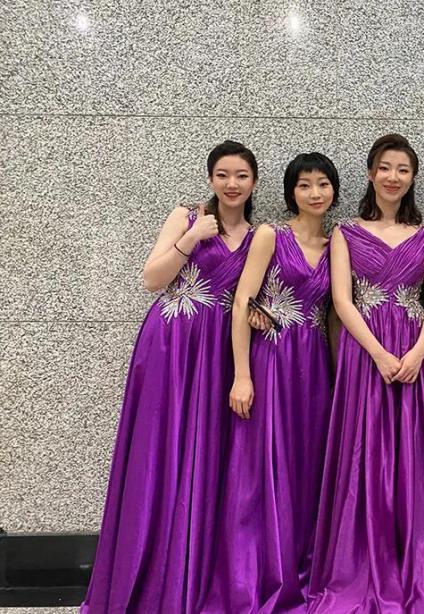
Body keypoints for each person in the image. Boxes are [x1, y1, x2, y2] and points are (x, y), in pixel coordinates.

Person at [81, 141, 259, 613]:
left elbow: (249, 296)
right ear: (211, 178)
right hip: (173, 344)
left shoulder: (258, 235)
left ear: (254, 182)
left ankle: (192, 566)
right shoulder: (186, 216)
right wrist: (192, 237)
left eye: (241, 176)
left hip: (219, 349)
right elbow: (152, 279)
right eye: (223, 175)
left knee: (207, 451)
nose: (232, 184)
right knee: (161, 447)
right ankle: (147, 569)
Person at [306, 134, 424, 613]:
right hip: (365, 354)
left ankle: (417, 562)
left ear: (412, 177)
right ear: (371, 173)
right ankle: (363, 564)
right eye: (385, 167)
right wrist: (379, 354)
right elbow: (342, 302)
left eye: (402, 169)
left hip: (415, 353)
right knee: (366, 453)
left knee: (414, 459)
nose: (393, 177)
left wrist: (419, 351)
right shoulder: (345, 234)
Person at [201, 153, 338, 613]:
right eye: (304, 185)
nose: (314, 193)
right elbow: (242, 303)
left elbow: (335, 315)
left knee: (306, 465)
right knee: (261, 467)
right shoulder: (270, 236)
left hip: (313, 366)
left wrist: (339, 374)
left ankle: (302, 565)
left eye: (323, 184)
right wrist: (242, 374)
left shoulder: (336, 244)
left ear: (334, 190)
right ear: (290, 192)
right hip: (272, 361)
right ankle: (254, 574)